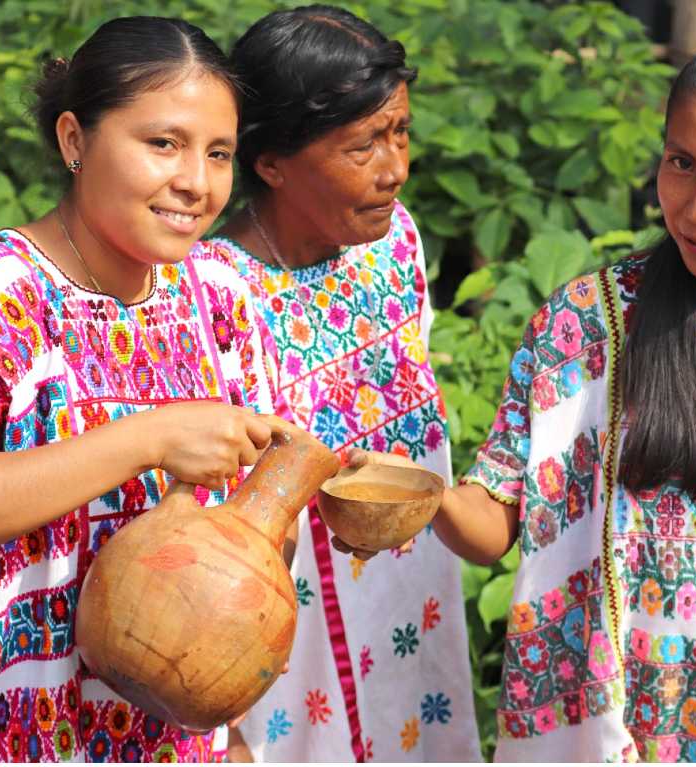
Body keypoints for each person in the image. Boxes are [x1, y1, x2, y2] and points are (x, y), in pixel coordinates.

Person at [356, 35, 696, 760]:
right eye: (681, 162)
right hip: (620, 737)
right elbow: (496, 521)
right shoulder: (586, 326)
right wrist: (413, 493)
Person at [0, 16, 282, 762]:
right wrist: (149, 438)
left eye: (219, 153)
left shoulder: (220, 295)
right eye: (163, 143)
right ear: (75, 140)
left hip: (168, 737)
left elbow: (253, 522)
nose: (196, 183)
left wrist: (225, 729)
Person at [209, 5, 480, 762]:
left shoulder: (394, 243)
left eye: (400, 131)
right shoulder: (209, 290)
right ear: (271, 163)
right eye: (363, 145)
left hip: (412, 604)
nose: (395, 167)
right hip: (282, 647)